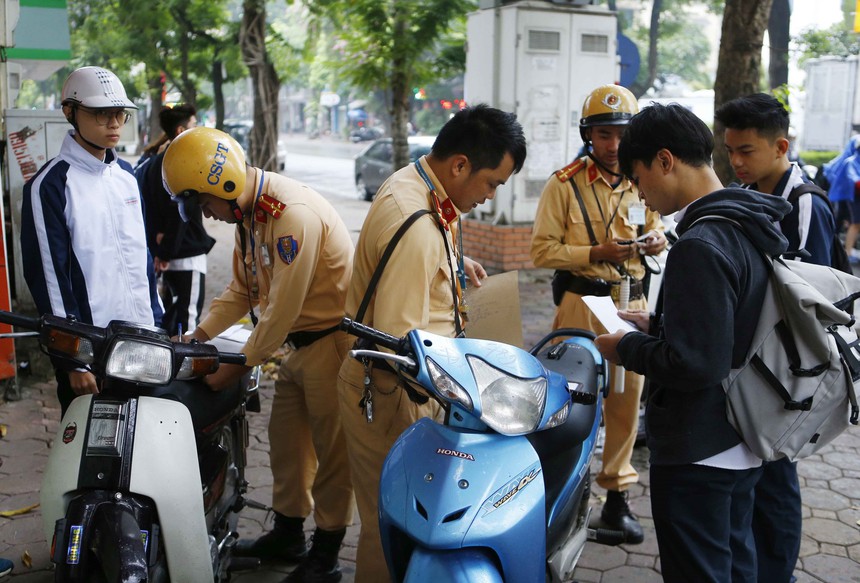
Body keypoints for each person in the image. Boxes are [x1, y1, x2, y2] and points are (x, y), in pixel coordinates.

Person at [594, 103, 791, 583]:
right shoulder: (748, 221)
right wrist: (661, 323)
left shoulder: (700, 243)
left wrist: (626, 348)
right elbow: (729, 323)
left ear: (665, 160)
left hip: (700, 445)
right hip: (742, 437)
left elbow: (697, 363)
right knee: (736, 562)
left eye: (638, 178)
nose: (640, 194)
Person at [337, 104, 526, 582]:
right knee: (394, 528)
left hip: (397, 391)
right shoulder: (417, 223)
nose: (490, 196)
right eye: (492, 183)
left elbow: (413, 266)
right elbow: (402, 345)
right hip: (394, 395)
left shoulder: (421, 185)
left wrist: (456, 268)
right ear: (460, 164)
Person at [163, 127, 354, 583]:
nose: (209, 216)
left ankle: (325, 555)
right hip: (297, 347)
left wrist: (240, 364)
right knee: (288, 444)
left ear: (223, 186)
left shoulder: (292, 217)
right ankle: (289, 534)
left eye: (206, 205)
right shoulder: (250, 217)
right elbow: (242, 291)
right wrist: (195, 336)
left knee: (333, 454)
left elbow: (282, 307)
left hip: (332, 345)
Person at [530, 84, 666, 544]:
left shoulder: (643, 179)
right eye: (604, 135)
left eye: (622, 135)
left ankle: (617, 500)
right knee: (567, 402)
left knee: (627, 403)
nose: (613, 146)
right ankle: (558, 494)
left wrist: (656, 241)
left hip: (632, 305)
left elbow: (658, 226)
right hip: (579, 303)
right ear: (589, 135)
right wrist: (595, 250)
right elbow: (542, 250)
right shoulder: (563, 183)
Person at [715, 93, 836, 583]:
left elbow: (814, 294)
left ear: (780, 145)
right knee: (760, 478)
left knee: (777, 478)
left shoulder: (803, 203)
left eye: (746, 151)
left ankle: (776, 573)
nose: (736, 162)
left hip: (790, 370)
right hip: (753, 367)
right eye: (730, 151)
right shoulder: (746, 194)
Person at [21, 66, 163, 416]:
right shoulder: (50, 184)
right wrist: (73, 361)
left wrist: (158, 323)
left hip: (142, 343)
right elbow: (48, 276)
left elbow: (141, 257)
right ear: (70, 112)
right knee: (92, 455)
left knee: (144, 441)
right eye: (101, 113)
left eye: (119, 113)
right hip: (92, 349)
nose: (114, 123)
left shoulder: (127, 176)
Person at [139, 104, 215, 336]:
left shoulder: (153, 163)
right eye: (194, 125)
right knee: (187, 321)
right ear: (182, 130)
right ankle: (186, 370)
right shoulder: (180, 166)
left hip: (166, 256)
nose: (198, 129)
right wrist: (166, 251)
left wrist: (159, 249)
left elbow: (148, 209)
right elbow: (178, 215)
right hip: (185, 254)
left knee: (172, 319)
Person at [824, 134, 860, 261]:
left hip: (849, 198)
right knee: (853, 224)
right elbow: (853, 181)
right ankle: (847, 252)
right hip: (850, 198)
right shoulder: (851, 161)